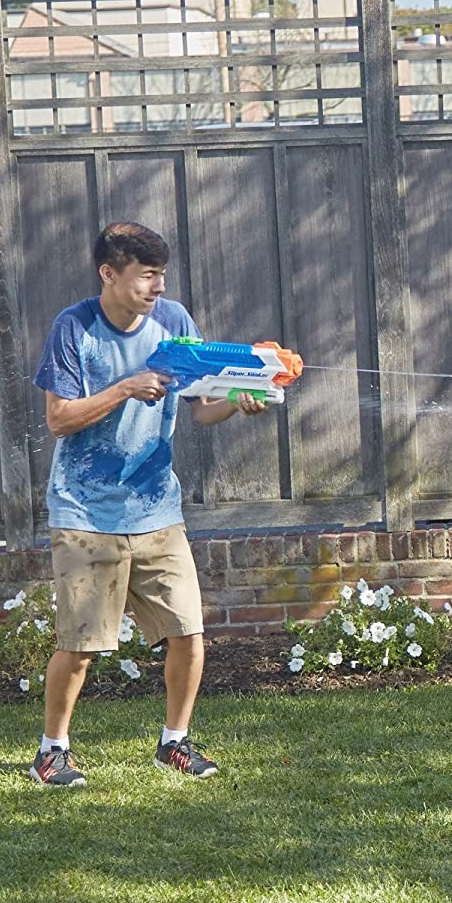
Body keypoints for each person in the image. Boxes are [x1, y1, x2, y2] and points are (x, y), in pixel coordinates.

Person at [28, 222, 269, 787]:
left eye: (161, 275)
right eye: (146, 275)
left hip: (157, 508)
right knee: (81, 645)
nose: (158, 287)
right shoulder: (74, 327)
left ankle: (174, 742)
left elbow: (203, 407)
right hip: (85, 512)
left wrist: (238, 400)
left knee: (188, 632)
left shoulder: (175, 321)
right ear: (109, 274)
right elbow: (59, 419)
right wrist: (125, 388)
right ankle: (51, 751)